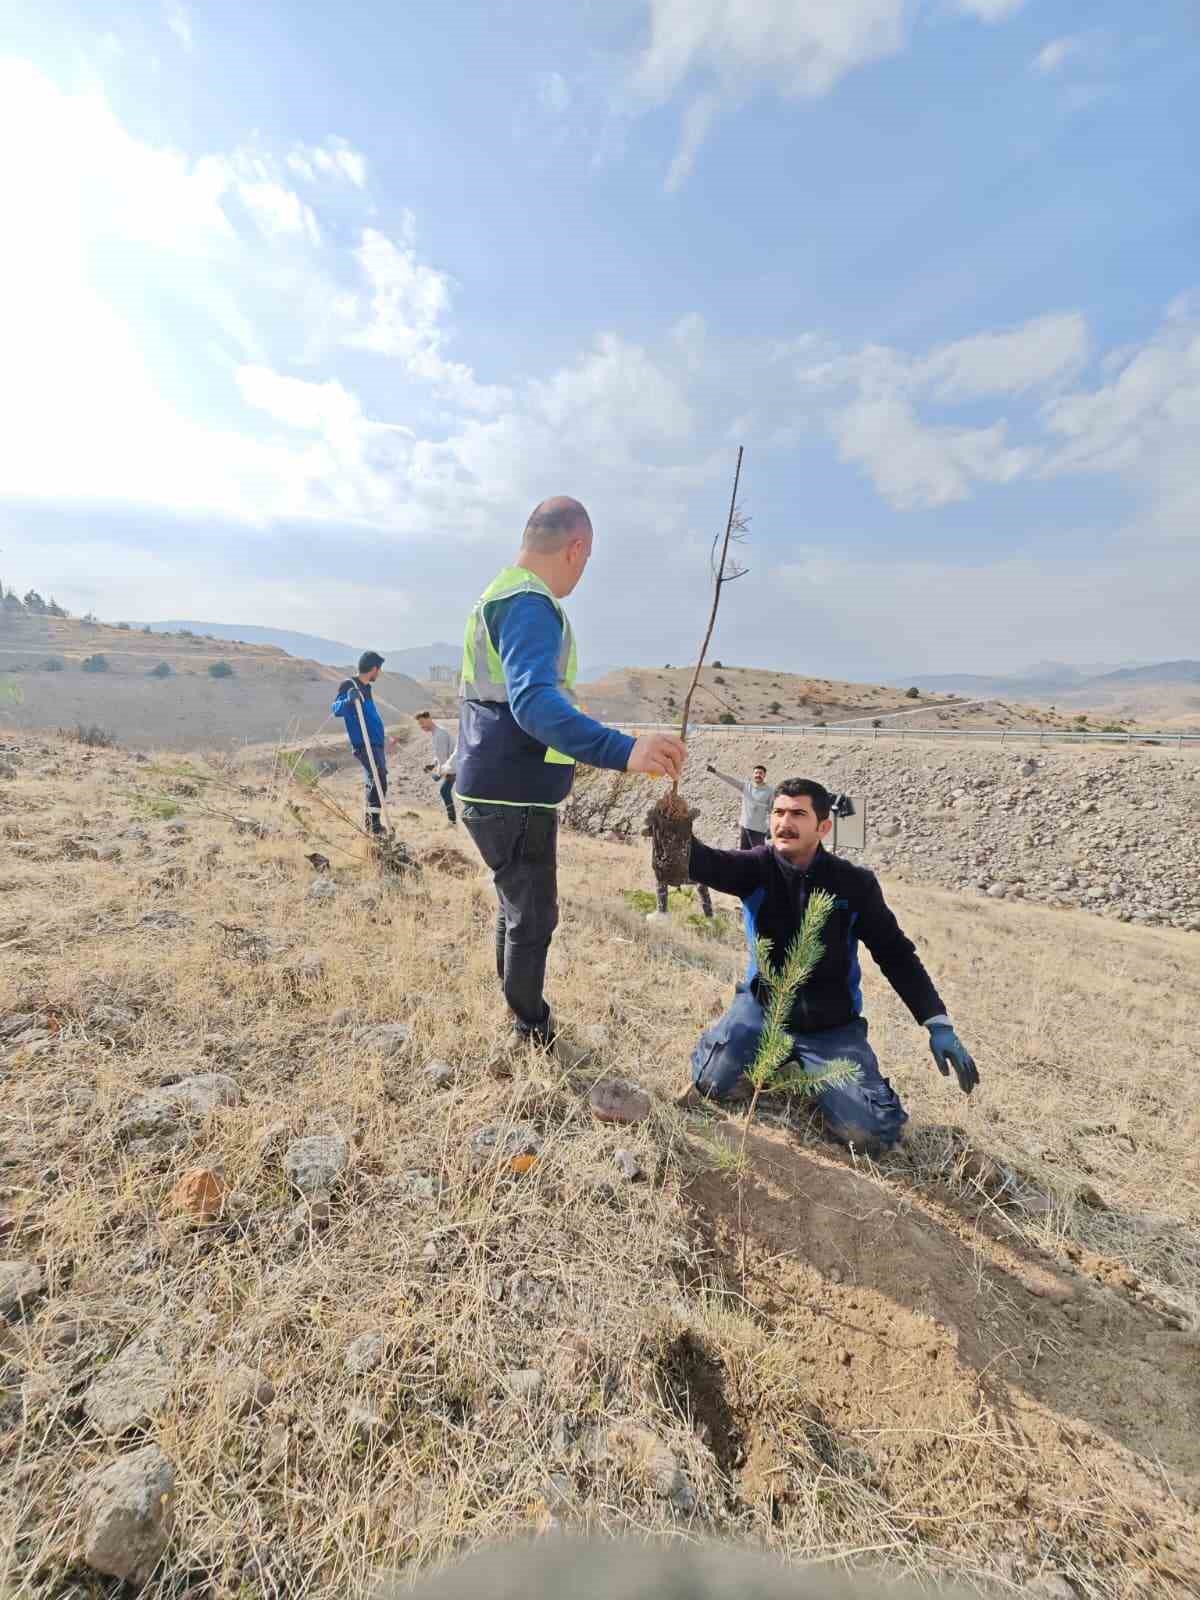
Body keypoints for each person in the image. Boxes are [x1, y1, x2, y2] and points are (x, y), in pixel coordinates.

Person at [456, 496, 687, 1050]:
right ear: (576, 547)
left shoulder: (503, 594)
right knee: (534, 919)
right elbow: (535, 704)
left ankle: (517, 1011)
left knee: (518, 909)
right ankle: (530, 1028)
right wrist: (624, 749)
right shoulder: (530, 603)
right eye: (587, 560)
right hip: (513, 794)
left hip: (498, 786)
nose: (583, 572)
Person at [682, 777, 978, 1154]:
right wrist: (675, 831)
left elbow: (895, 953)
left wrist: (936, 1021)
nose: (783, 823)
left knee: (871, 1134)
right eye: (778, 812)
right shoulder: (755, 867)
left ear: (823, 827)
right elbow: (704, 863)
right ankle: (765, 1057)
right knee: (711, 1082)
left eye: (797, 814)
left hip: (831, 1027)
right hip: (763, 1011)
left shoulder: (854, 884)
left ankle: (819, 1073)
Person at [331, 651, 389, 835]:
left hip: (376, 742)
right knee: (378, 779)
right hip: (364, 743)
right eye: (379, 670)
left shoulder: (367, 688)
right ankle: (373, 825)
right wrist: (349, 699)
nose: (379, 674)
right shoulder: (350, 685)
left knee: (377, 780)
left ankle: (373, 823)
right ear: (374, 668)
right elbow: (336, 709)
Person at [707, 760, 772, 848]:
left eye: (761, 773)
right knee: (744, 854)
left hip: (758, 831)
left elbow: (772, 811)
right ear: (753, 775)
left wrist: (770, 828)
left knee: (759, 856)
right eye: (756, 773)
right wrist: (716, 772)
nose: (758, 775)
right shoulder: (746, 786)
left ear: (764, 775)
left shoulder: (769, 791)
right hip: (745, 827)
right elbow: (731, 780)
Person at [416, 711, 458, 825]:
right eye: (419, 724)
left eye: (422, 723)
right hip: (451, 765)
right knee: (445, 791)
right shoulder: (437, 732)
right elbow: (439, 756)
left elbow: (443, 759)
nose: (421, 726)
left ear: (429, 718)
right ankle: (452, 821)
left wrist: (438, 775)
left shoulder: (439, 735)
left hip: (453, 766)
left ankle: (452, 821)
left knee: (444, 791)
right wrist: (432, 765)